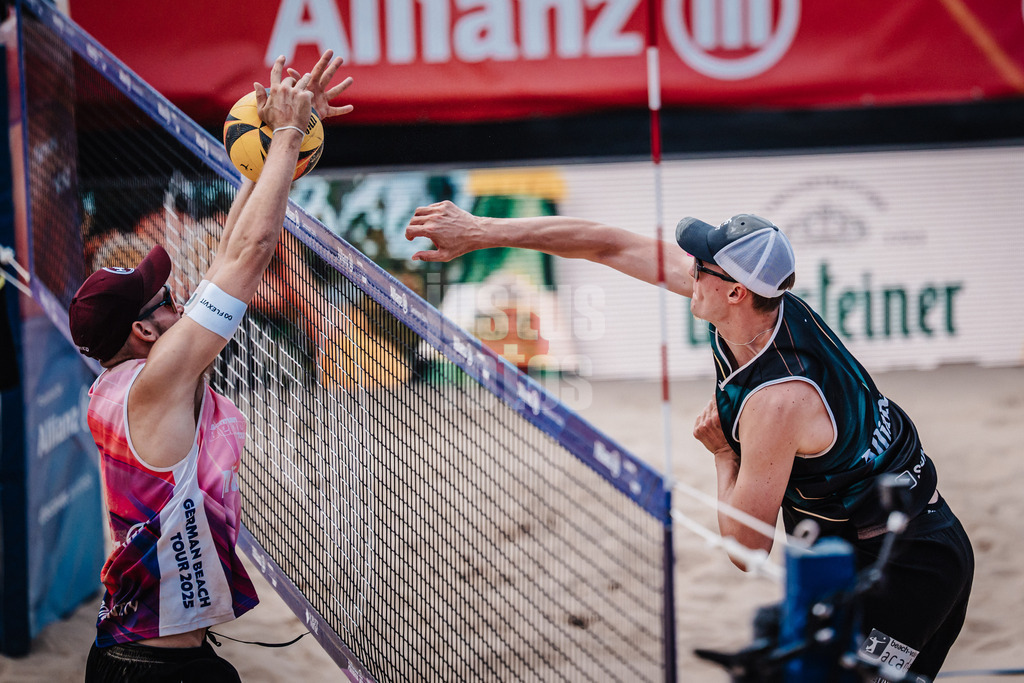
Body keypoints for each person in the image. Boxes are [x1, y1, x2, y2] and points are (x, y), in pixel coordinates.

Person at [404, 202, 974, 680]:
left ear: (734, 292)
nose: (688, 271)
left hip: (906, 568)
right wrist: (481, 231)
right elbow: (602, 243)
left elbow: (747, 549)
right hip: (871, 542)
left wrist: (724, 455)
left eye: (701, 267)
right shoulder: (756, 310)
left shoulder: (774, 402)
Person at [69, 51, 354, 682]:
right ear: (143, 330)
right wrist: (282, 135)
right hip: (155, 672)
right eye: (166, 298)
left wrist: (274, 154)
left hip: (138, 657)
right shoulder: (156, 383)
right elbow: (249, 257)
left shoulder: (121, 383)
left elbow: (231, 248)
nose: (181, 297)